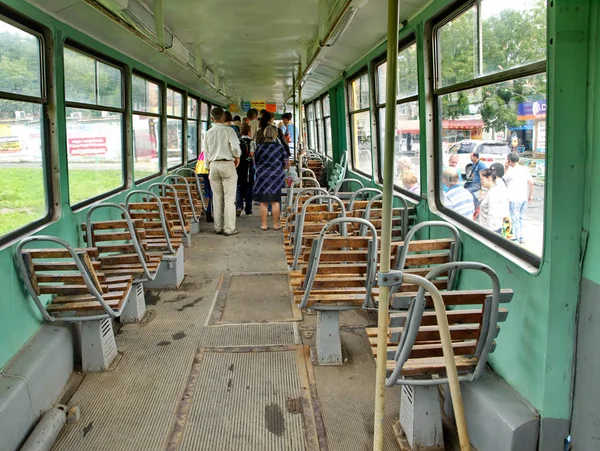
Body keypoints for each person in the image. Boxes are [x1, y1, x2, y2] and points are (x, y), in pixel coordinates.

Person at [204, 107, 241, 236]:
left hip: (213, 166)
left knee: (217, 198)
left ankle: (218, 227)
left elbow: (206, 153)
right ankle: (229, 228)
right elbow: (235, 147)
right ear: (224, 117)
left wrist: (208, 168)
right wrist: (237, 157)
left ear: (212, 118)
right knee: (229, 199)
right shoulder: (229, 131)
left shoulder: (208, 133)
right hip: (227, 164)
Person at [254, 125, 287, 231]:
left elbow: (255, 161)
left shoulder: (259, 147)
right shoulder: (280, 147)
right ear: (275, 134)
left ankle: (264, 224)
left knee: (263, 201)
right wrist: (282, 169)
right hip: (277, 176)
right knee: (275, 200)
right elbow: (286, 162)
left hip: (262, 175)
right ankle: (276, 224)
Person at [504, 152, 534, 244]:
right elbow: (531, 184)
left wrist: (505, 168)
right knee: (521, 218)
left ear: (509, 161)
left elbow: (503, 179)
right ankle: (521, 237)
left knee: (514, 219)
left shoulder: (510, 171)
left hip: (513, 198)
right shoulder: (524, 169)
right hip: (523, 198)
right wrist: (530, 195)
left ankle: (516, 238)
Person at [476, 167, 510, 234]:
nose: (481, 182)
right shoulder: (492, 190)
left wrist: (488, 233)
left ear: (489, 178)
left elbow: (492, 215)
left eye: (482, 179)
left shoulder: (493, 193)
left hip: (491, 230)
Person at [236, 123, 254, 216]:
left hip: (238, 167)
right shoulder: (252, 142)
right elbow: (252, 155)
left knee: (238, 187)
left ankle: (238, 206)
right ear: (248, 132)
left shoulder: (238, 141)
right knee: (249, 188)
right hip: (249, 168)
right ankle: (248, 209)